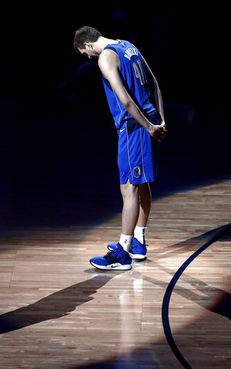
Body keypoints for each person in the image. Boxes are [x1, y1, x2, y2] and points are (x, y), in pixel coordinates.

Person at [73, 25, 168, 270]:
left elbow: (125, 100)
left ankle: (122, 252)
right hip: (151, 119)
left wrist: (147, 127)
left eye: (86, 54)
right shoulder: (128, 46)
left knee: (128, 187)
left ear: (88, 45)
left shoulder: (105, 56)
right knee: (142, 182)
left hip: (134, 127)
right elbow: (155, 83)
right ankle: (138, 240)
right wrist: (161, 120)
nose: (89, 58)